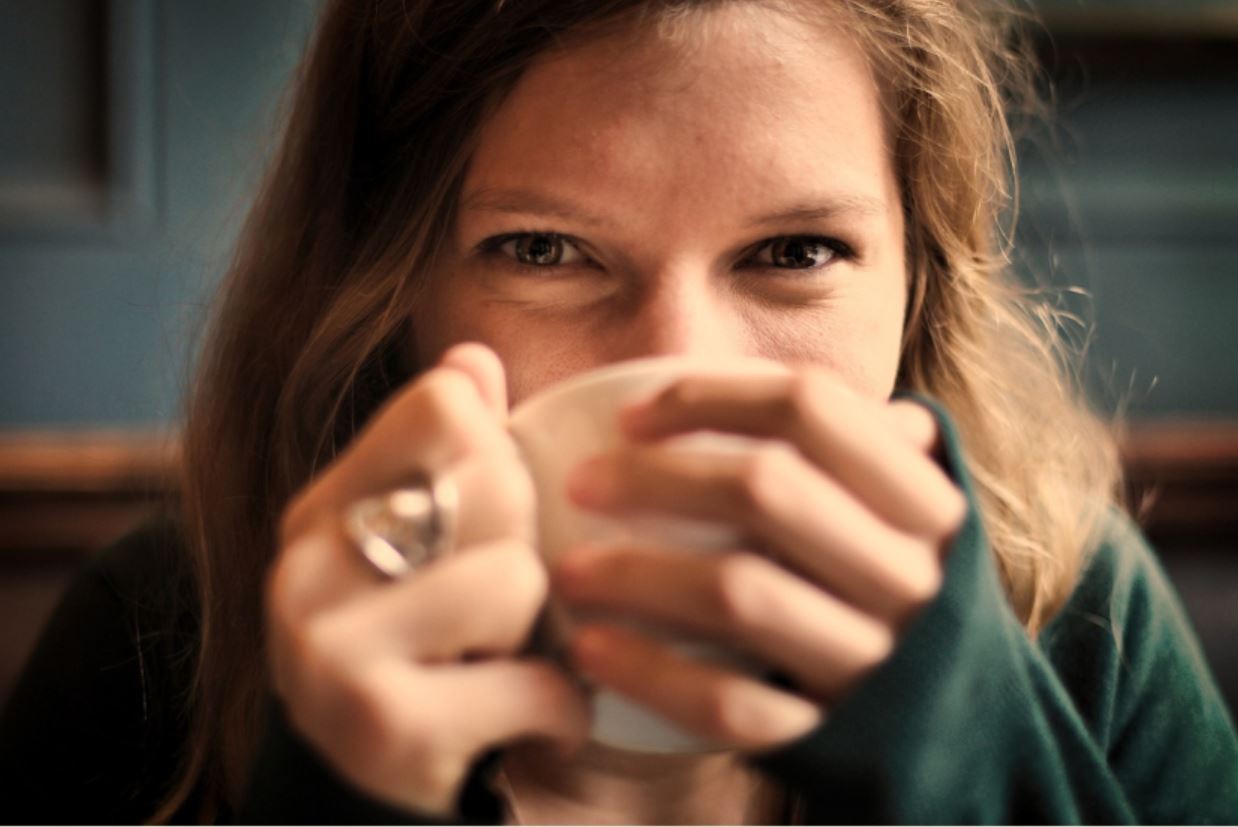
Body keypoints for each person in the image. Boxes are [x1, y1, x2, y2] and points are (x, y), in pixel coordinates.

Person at [2, 0, 1236, 823]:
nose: (679, 368)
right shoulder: (160, 637)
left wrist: (974, 765)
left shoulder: (1081, 625)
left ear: (918, 283)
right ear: (391, 293)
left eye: (795, 251)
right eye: (542, 248)